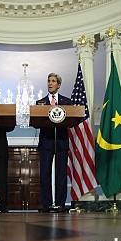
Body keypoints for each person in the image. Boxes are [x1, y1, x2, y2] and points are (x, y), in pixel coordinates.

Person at [35, 73, 73, 213]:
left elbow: (72, 120)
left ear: (58, 84)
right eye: (48, 81)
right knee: (44, 173)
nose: (50, 83)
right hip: (46, 142)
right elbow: (35, 123)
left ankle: (60, 204)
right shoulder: (40, 103)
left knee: (61, 173)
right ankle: (46, 204)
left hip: (61, 141)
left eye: (53, 81)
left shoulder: (67, 102)